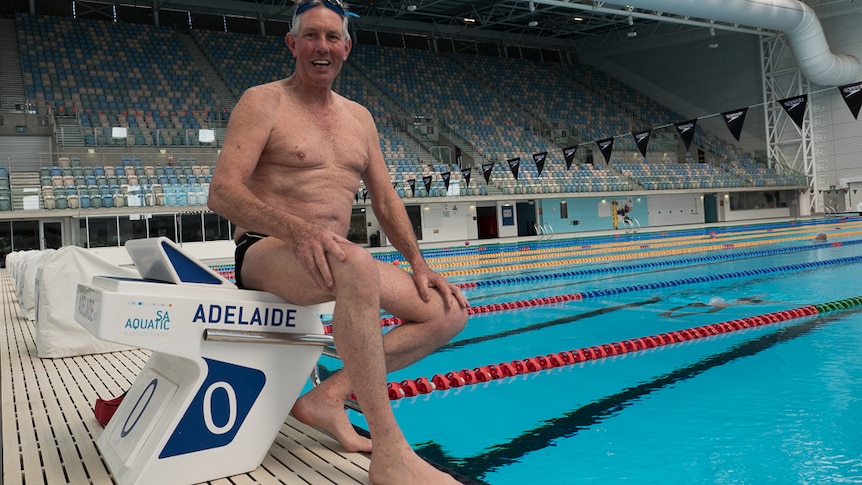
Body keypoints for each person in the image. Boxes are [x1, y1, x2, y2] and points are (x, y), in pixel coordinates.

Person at [206, 1, 469, 484]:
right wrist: (298, 229)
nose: (321, 46)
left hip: (335, 257)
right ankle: (390, 452)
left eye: (332, 37)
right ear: (292, 43)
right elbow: (222, 193)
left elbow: (386, 200)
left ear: (347, 48)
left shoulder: (359, 118)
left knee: (448, 310)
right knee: (354, 262)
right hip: (267, 250)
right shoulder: (263, 101)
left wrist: (419, 264)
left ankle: (327, 397)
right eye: (311, 36)